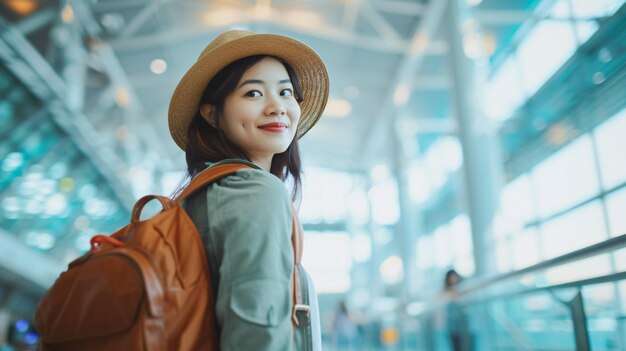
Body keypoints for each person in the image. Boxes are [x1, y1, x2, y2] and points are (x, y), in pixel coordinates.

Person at [167, 30, 329, 350]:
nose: (276, 107)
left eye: (285, 92)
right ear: (212, 114)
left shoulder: (203, 193)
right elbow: (257, 334)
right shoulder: (256, 192)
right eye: (253, 94)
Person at [444, 269, 473, 351]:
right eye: (450, 278)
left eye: (454, 277)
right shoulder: (445, 291)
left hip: (466, 326)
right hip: (453, 328)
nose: (452, 279)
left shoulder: (464, 289)